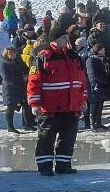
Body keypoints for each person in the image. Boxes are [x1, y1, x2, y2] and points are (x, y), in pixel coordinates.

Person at [27, 33, 87, 175]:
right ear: (54, 40)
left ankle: (63, 165)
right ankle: (45, 167)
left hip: (71, 106)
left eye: (67, 37)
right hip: (50, 107)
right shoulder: (43, 57)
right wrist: (34, 103)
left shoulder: (73, 57)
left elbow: (82, 81)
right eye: (63, 38)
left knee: (68, 138)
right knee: (47, 138)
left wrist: (83, 99)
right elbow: (33, 82)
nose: (66, 40)